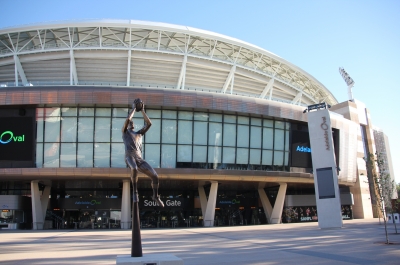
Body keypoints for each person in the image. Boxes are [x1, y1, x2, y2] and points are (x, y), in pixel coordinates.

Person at [122, 99, 164, 207]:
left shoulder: (139, 134)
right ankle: (135, 192)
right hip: (129, 156)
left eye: (132, 123)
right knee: (134, 168)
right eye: (130, 123)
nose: (131, 123)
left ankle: (155, 196)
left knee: (155, 176)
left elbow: (149, 123)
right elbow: (127, 119)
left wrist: (142, 111)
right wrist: (134, 109)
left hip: (139, 158)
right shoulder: (125, 132)